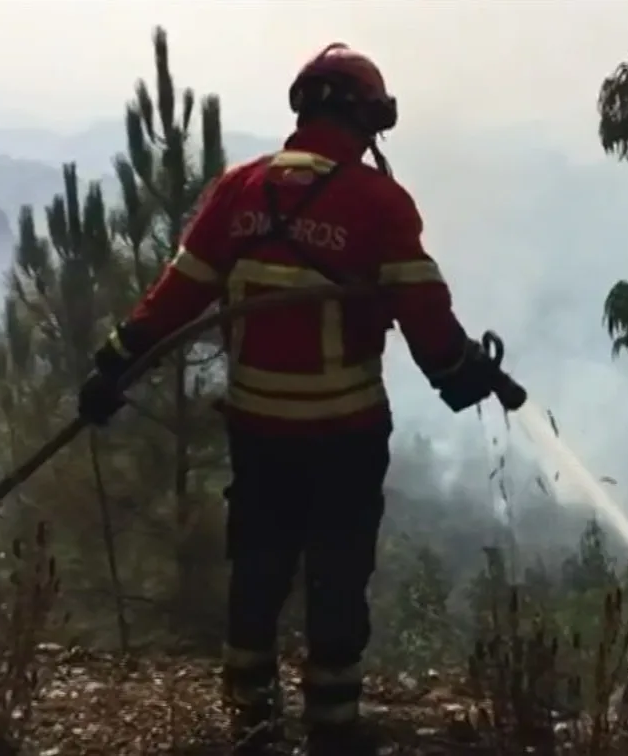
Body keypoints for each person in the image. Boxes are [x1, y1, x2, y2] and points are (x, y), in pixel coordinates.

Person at [76, 42, 521, 755]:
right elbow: (424, 314)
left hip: (257, 431)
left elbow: (176, 296)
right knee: (337, 574)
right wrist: (462, 373)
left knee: (258, 564)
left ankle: (250, 719)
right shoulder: (376, 200)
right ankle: (332, 729)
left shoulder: (239, 189)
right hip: (344, 433)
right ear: (365, 117)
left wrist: (111, 366)